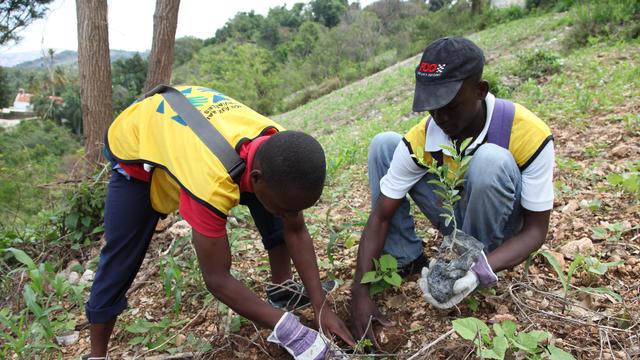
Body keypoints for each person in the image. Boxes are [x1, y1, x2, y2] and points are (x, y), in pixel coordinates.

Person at [85, 85, 355, 359]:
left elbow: (295, 230)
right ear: (257, 178)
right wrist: (289, 330)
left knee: (275, 206)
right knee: (121, 256)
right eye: (289, 210)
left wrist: (322, 308)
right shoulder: (210, 182)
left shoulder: (281, 147)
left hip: (203, 130)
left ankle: (282, 290)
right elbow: (216, 278)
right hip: (137, 143)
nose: (292, 217)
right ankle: (97, 354)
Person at [350, 36, 554, 346]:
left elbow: (536, 231)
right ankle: (408, 259)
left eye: (450, 106)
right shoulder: (426, 135)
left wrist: (479, 270)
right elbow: (381, 216)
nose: (440, 117)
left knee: (490, 160)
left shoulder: (526, 131)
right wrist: (359, 292)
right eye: (432, 108)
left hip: (504, 227)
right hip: (456, 217)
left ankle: (471, 265)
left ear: (480, 90)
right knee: (385, 145)